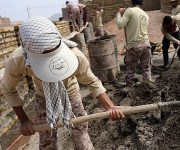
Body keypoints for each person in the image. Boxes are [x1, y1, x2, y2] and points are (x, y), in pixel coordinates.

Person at [0, 17, 125, 150]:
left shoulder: (75, 56)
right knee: (46, 140)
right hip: (43, 97)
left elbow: (92, 81)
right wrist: (23, 119)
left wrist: (110, 107)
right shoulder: (18, 60)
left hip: (71, 93)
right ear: (28, 53)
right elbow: (8, 88)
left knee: (81, 133)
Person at [116, 0, 152, 86]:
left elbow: (120, 25)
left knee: (130, 70)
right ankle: (148, 88)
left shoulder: (130, 10)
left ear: (132, 3)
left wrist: (118, 13)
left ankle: (130, 89)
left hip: (134, 45)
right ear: (142, 4)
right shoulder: (146, 15)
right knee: (146, 69)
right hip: (146, 45)